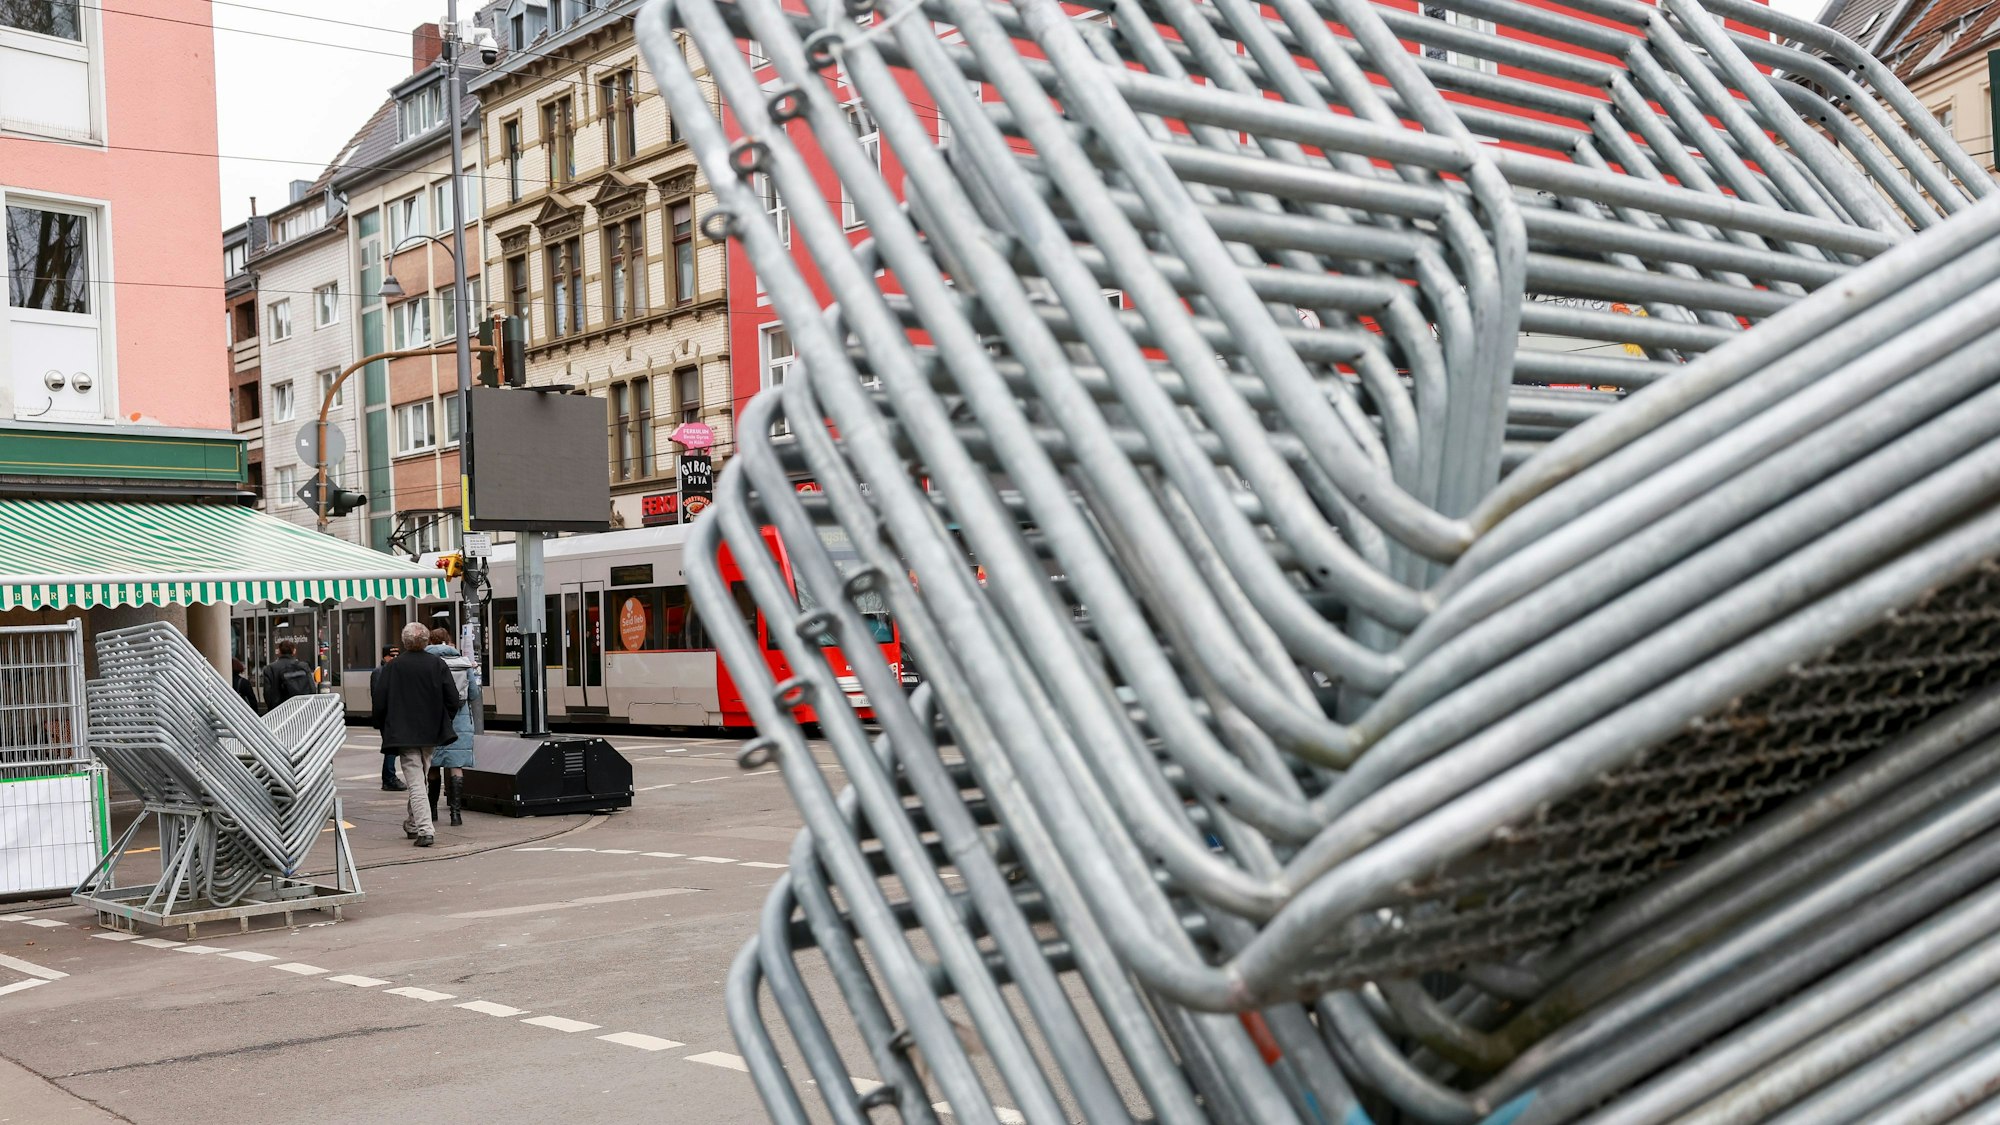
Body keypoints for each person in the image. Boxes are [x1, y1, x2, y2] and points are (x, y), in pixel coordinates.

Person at [371, 622, 460, 847]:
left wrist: (382, 724)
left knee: (416, 782)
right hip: (431, 731)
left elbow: (379, 701)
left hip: (403, 732)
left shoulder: (393, 667)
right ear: (426, 641)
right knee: (420, 779)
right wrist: (443, 719)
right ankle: (413, 823)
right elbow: (453, 699)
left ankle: (425, 830)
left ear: (405, 642)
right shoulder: (437, 664)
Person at [424, 627, 480, 827]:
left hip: (433, 720)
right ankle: (455, 815)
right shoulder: (463, 663)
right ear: (448, 641)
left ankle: (431, 812)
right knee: (456, 767)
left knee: (433, 766)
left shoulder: (427, 662)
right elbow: (473, 694)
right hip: (460, 721)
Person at [374, 646, 406, 791]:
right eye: (391, 655)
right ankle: (389, 778)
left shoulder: (392, 670)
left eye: (397, 655)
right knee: (391, 748)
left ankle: (389, 777)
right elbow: (378, 697)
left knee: (392, 748)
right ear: (385, 657)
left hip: (393, 716)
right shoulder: (380, 672)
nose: (394, 658)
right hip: (387, 716)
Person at [261, 640, 314, 711]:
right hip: (301, 709)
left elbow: (268, 694)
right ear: (294, 651)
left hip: (279, 710)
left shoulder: (270, 668)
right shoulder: (303, 666)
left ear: (279, 651)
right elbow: (312, 689)